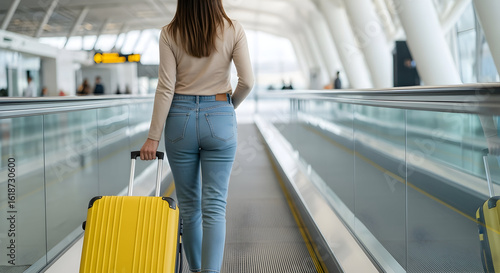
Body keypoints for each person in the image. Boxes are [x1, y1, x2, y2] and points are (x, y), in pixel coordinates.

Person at [140, 1, 254, 272]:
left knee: (190, 207)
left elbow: (166, 87)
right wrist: (226, 107)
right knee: (215, 207)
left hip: (180, 121)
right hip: (220, 116)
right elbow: (247, 81)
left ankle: (195, 269)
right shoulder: (233, 29)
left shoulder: (169, 32)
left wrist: (152, 137)